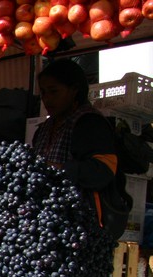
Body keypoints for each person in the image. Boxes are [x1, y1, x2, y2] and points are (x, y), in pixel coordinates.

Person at [32, 58, 132, 242]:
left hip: (80, 226)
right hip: (48, 224)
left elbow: (103, 171)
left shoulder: (90, 123)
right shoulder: (43, 129)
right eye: (44, 93)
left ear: (74, 90)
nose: (47, 99)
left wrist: (60, 169)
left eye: (54, 91)